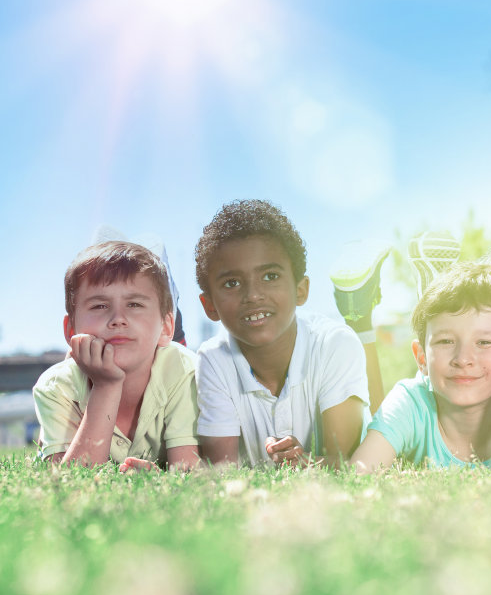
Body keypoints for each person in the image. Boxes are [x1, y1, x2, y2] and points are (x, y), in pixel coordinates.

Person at [193, 200, 367, 468]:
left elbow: (345, 463)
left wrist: (306, 462)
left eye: (270, 276)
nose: (252, 295)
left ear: (301, 290)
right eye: (232, 283)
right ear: (210, 306)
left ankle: (365, 317)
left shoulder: (334, 344)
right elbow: (223, 471)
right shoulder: (213, 360)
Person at [348, 263, 491, 470]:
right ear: (421, 358)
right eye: (445, 341)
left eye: (485, 342)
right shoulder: (410, 402)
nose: (463, 359)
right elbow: (359, 474)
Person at [34, 241, 200, 471]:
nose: (118, 318)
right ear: (71, 330)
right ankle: (47, 442)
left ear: (166, 327)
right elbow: (69, 481)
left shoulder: (184, 370)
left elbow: (188, 470)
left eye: (134, 304)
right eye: (100, 306)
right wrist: (106, 385)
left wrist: (159, 477)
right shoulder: (55, 387)